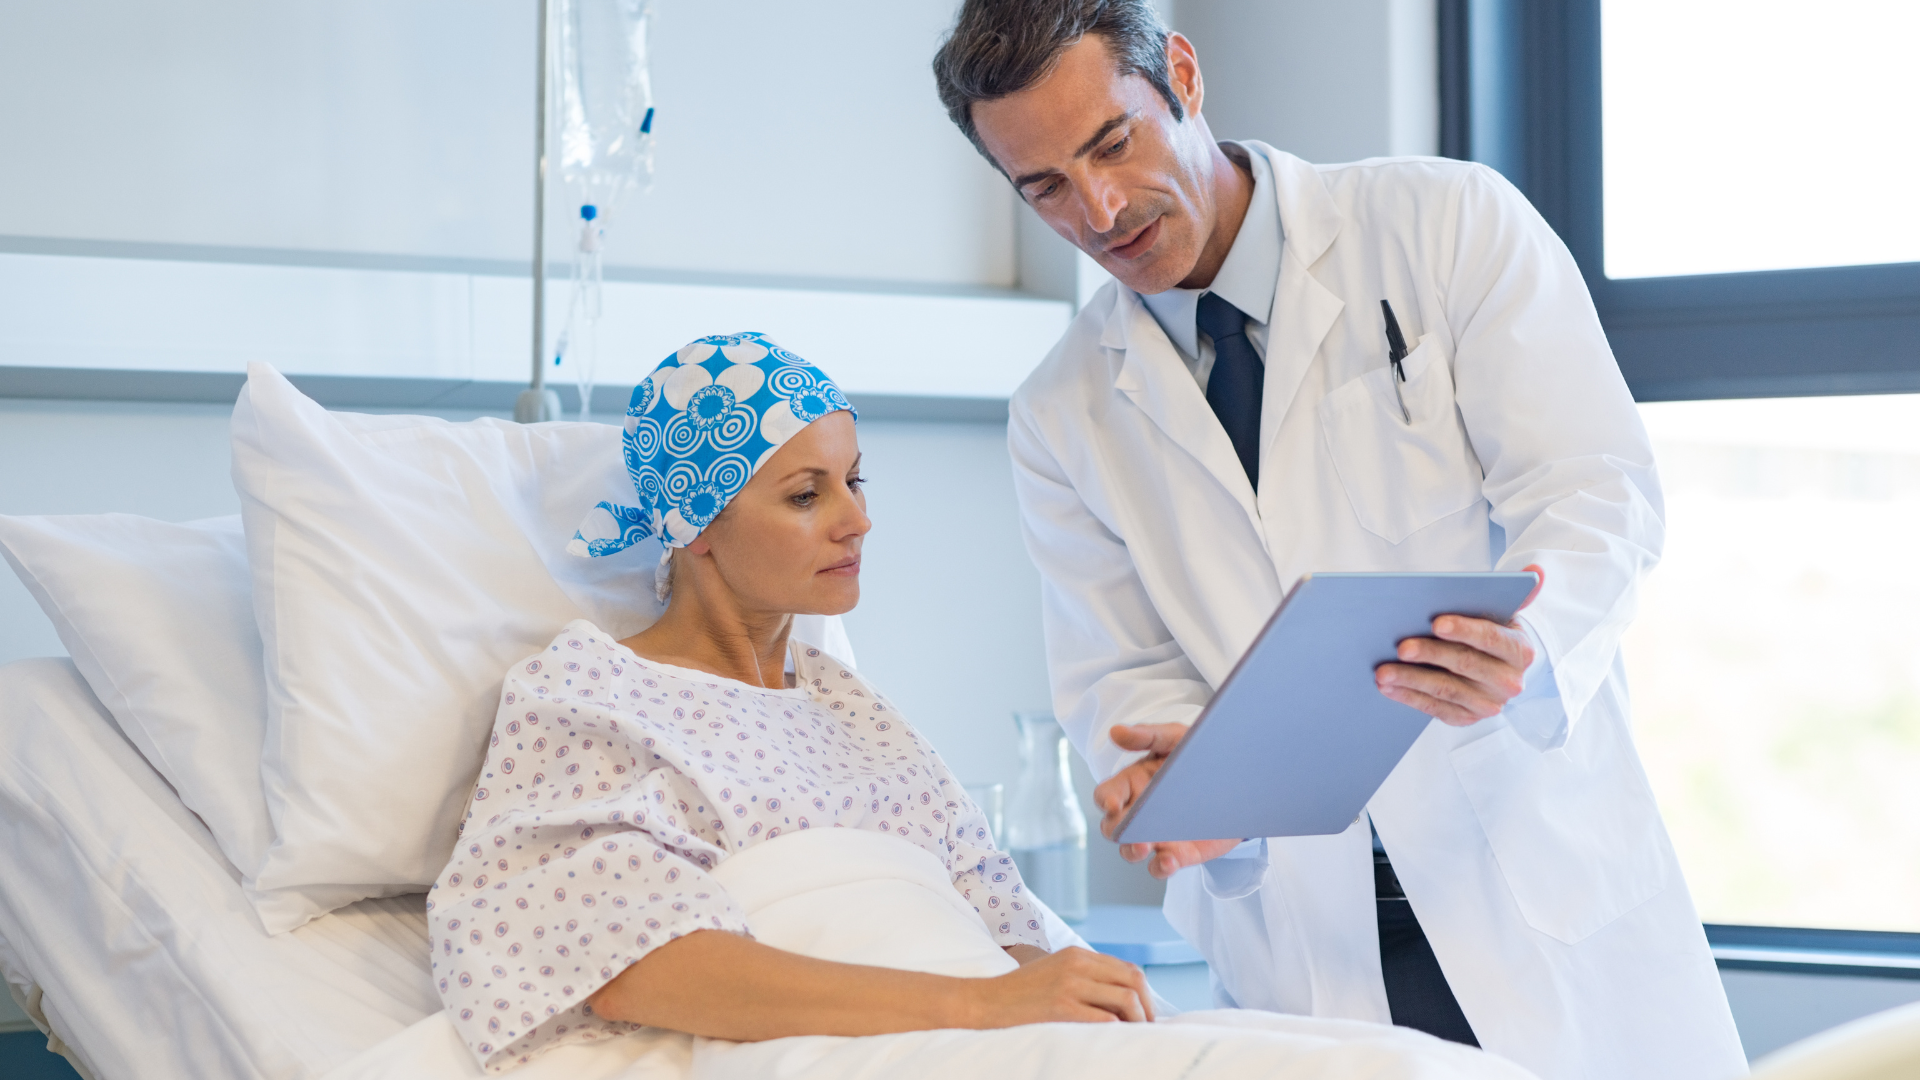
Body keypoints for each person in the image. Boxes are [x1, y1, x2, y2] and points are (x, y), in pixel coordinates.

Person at [931, 4, 1747, 1080]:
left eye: (1113, 142)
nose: (1099, 209)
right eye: (1044, 187)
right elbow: (1124, 675)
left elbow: (1594, 487)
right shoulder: (1061, 411)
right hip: (1303, 944)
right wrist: (1189, 784)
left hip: (1533, 887)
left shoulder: (1443, 224)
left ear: (1179, 72)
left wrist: (1534, 643)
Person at [427, 332, 1534, 1080]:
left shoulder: (853, 709)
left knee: (1392, 1065)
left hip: (985, 1029)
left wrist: (1063, 995)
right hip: (862, 1045)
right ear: (696, 526)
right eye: (804, 495)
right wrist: (982, 1011)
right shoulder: (591, 697)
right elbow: (633, 965)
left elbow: (1006, 931)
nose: (855, 521)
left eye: (856, 482)